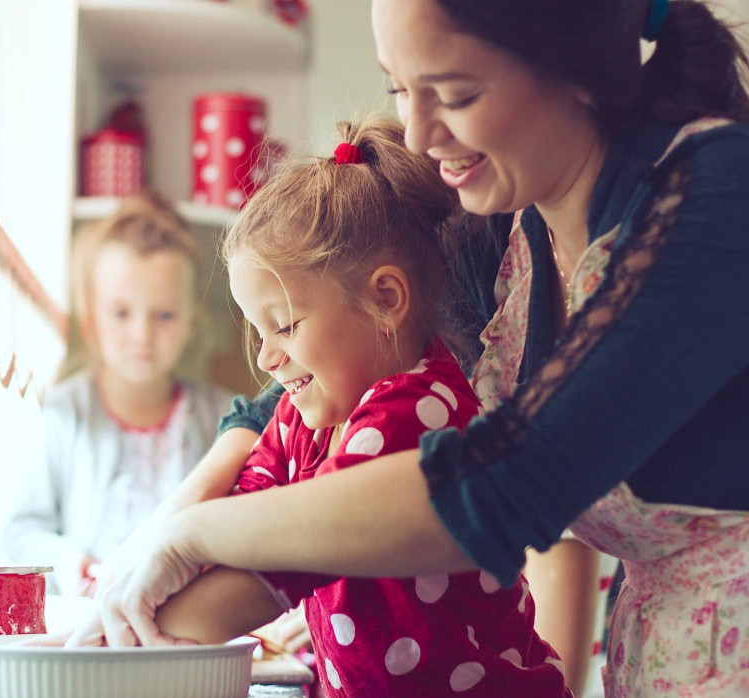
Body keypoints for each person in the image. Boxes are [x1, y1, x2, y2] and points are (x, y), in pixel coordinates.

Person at [80, 0, 749, 694]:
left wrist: (196, 533)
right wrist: (168, 531)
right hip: (695, 652)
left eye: (453, 95)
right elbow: (285, 401)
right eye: (399, 90)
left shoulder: (727, 196)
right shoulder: (506, 233)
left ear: (574, 69)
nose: (418, 134)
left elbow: (502, 485)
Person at [145, 116, 570, 697]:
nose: (268, 358)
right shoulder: (306, 412)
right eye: (257, 332)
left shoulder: (418, 411)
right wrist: (158, 561)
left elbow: (278, 561)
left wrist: (136, 619)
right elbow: (249, 503)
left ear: (385, 300)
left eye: (285, 327)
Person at [3, 192, 233, 596]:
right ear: (91, 319)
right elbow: (22, 528)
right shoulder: (63, 413)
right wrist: (71, 564)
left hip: (188, 627)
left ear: (191, 322)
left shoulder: (225, 419)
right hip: (87, 624)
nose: (141, 335)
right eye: (121, 313)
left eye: (164, 315)